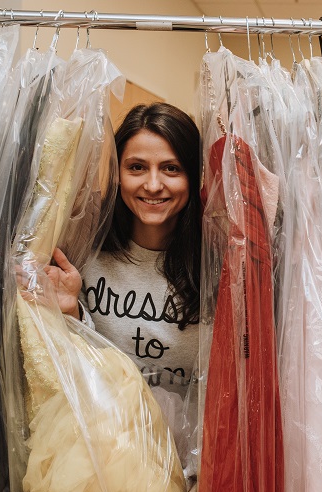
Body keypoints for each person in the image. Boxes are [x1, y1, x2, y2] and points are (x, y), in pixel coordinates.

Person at [47, 101, 202, 471]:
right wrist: (72, 312)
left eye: (171, 168)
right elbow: (75, 364)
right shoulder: (85, 251)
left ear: (193, 175)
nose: (152, 184)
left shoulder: (214, 267)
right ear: (118, 174)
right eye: (136, 167)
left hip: (189, 460)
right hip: (97, 453)